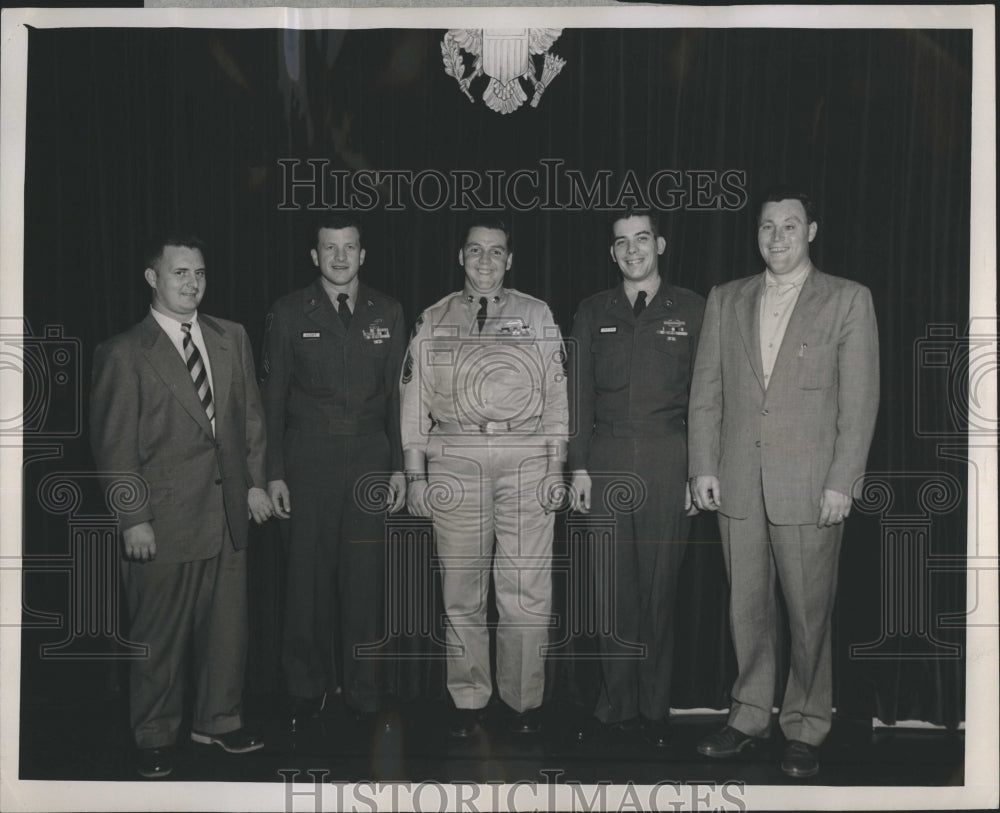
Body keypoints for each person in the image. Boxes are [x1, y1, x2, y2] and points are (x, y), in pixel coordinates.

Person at [688, 186, 880, 778]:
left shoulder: (847, 300)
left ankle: (804, 725)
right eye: (768, 227)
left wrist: (842, 479)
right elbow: (707, 392)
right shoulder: (727, 298)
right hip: (738, 482)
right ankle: (748, 715)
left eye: (790, 226)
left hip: (810, 484)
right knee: (746, 609)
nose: (777, 238)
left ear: (812, 232)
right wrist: (703, 467)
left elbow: (861, 400)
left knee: (806, 612)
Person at [90, 235, 271, 779]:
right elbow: (114, 445)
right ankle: (154, 734)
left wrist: (256, 484)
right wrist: (132, 517)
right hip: (162, 520)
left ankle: (217, 721)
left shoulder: (230, 336)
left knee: (226, 631)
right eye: (179, 273)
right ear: (153, 278)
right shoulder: (123, 352)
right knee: (158, 636)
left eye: (199, 273)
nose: (192, 283)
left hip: (227, 514)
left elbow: (250, 420)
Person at [400, 216, 568, 738]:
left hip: (525, 461)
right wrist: (414, 474)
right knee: (461, 591)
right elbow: (414, 401)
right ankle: (469, 700)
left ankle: (522, 703)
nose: (485, 261)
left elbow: (559, 397)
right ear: (460, 257)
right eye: (475, 251)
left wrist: (556, 468)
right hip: (455, 459)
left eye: (496, 252)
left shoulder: (537, 315)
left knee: (525, 590)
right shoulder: (433, 318)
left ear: (510, 260)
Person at [261, 213, 406, 730]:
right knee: (305, 580)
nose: (340, 257)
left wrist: (400, 468)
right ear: (314, 256)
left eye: (349, 248)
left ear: (363, 254)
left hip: (370, 455)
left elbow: (397, 398)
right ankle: (305, 686)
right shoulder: (287, 310)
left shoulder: (387, 310)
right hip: (308, 459)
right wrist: (273, 472)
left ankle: (364, 689)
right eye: (330, 248)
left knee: (366, 580)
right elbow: (272, 398)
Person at [567, 208, 704, 747]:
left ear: (660, 244)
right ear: (612, 252)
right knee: (612, 589)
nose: (632, 250)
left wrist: (700, 470)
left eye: (641, 239)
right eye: (621, 242)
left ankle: (654, 704)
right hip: (605, 461)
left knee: (659, 588)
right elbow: (577, 395)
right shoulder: (591, 310)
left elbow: (706, 397)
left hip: (670, 459)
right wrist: (576, 465)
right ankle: (615, 703)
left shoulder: (692, 308)